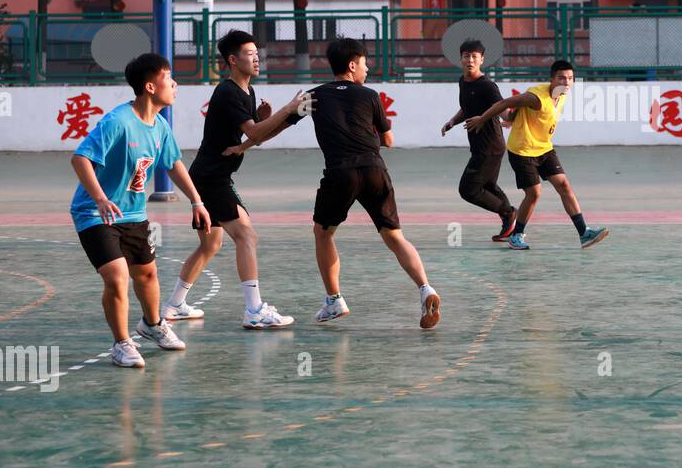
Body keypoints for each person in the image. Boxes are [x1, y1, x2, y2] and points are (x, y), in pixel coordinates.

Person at [238, 38, 440, 328]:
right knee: (394, 236)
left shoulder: (312, 97)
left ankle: (334, 300)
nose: (367, 68)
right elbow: (389, 141)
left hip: (339, 173)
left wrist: (246, 144)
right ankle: (425, 289)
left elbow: (271, 130)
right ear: (352, 65)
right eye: (365, 63)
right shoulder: (370, 96)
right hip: (373, 169)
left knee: (323, 233)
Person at [69, 53, 211, 367]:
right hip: (95, 213)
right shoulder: (118, 121)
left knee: (146, 274)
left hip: (133, 214)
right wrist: (100, 198)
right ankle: (121, 344)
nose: (175, 84)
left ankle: (151, 324)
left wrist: (196, 201)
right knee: (117, 277)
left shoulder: (159, 125)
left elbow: (173, 163)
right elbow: (80, 159)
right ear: (149, 86)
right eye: (168, 78)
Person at [163, 30, 309, 329]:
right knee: (246, 236)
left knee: (210, 245)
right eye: (250, 53)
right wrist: (285, 110)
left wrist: (288, 118)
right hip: (211, 178)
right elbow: (256, 133)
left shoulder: (247, 91)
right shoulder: (228, 92)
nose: (257, 58)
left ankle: (175, 305)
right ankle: (254, 310)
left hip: (212, 176)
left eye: (258, 52)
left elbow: (258, 136)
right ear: (232, 59)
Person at [465, 59, 608, 250]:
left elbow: (520, 112)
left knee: (564, 185)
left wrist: (514, 118)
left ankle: (584, 233)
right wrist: (483, 119)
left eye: (570, 78)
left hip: (544, 148)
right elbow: (507, 102)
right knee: (534, 194)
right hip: (522, 150)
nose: (566, 82)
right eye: (561, 78)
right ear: (551, 79)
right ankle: (516, 236)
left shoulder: (562, 94)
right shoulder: (536, 97)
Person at [441, 38, 516, 241]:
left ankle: (508, 213)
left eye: (475, 56)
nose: (470, 60)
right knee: (489, 186)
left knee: (468, 190)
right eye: (467, 56)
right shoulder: (463, 81)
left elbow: (502, 109)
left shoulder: (487, 86)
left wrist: (512, 117)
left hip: (490, 146)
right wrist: (452, 122)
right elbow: (466, 107)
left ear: (482, 59)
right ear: (461, 59)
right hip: (481, 146)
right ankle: (510, 223)